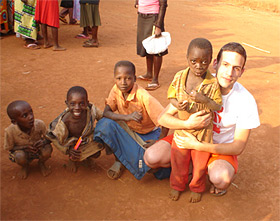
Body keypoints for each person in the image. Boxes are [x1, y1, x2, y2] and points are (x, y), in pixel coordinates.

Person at [144, 42, 260, 197]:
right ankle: (191, 166)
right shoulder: (196, 81)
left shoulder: (246, 100)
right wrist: (187, 124)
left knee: (221, 178)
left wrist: (198, 145)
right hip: (188, 138)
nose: (229, 72)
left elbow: (238, 147)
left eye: (236, 68)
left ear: (242, 71)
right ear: (215, 63)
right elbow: (163, 118)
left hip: (217, 148)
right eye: (225, 64)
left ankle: (201, 169)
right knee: (151, 157)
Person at [167, 38, 222, 203]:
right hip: (182, 132)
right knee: (178, 161)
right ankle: (177, 185)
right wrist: (178, 105)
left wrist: (204, 99)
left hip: (203, 134)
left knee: (200, 165)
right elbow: (171, 97)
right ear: (187, 58)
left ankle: (197, 187)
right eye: (194, 61)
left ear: (211, 60)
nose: (199, 66)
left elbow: (217, 106)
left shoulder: (212, 83)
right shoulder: (179, 77)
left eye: (204, 62)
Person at [94, 60, 168, 180]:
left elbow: (165, 119)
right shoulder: (116, 89)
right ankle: (119, 160)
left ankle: (128, 157)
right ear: (115, 79)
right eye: (119, 78)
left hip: (148, 134)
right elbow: (106, 113)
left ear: (135, 78)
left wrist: (159, 140)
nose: (123, 83)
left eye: (128, 78)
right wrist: (126, 117)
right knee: (104, 125)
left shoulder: (144, 97)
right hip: (129, 130)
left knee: (155, 168)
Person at [46, 86, 104, 173]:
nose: (77, 107)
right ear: (67, 103)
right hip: (72, 145)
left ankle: (86, 158)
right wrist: (68, 150)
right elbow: (53, 137)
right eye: (72, 104)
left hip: (86, 140)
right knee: (74, 154)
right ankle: (72, 160)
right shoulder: (64, 121)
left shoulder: (92, 110)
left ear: (87, 103)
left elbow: (103, 118)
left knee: (97, 152)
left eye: (81, 103)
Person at [4, 100, 52, 179]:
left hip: (38, 150)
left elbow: (50, 138)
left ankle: (41, 163)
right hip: (23, 152)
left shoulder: (39, 124)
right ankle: (25, 166)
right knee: (19, 156)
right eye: (24, 116)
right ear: (14, 121)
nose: (31, 117)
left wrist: (44, 142)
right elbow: (9, 148)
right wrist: (24, 148)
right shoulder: (10, 132)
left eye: (31, 112)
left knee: (47, 149)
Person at [135, 0, 168, 91]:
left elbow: (163, 4)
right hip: (142, 15)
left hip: (154, 17)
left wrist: (158, 25)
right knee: (147, 45)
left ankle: (155, 79)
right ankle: (149, 73)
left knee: (156, 47)